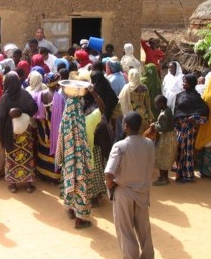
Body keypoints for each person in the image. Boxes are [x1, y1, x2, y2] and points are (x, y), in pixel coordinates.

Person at [105, 111, 155, 259]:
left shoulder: (120, 146)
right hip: (143, 192)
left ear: (125, 126)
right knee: (144, 230)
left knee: (125, 231)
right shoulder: (149, 144)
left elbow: (109, 174)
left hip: (123, 192)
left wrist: (111, 187)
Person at [55, 85, 93, 229]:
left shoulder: (66, 117)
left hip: (68, 158)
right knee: (81, 185)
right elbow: (83, 140)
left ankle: (70, 209)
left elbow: (61, 138)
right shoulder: (79, 116)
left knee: (69, 181)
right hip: (79, 159)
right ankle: (80, 220)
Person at [0, 71, 38, 193]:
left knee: (11, 158)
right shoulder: (25, 94)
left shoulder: (5, 98)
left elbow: (2, 116)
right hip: (25, 131)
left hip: (11, 132)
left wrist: (3, 113)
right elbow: (34, 108)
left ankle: (13, 185)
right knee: (27, 156)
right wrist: (22, 112)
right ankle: (29, 184)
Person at [174, 74, 209, 183]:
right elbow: (177, 110)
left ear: (191, 83)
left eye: (185, 82)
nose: (183, 83)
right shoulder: (179, 95)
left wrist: (194, 118)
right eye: (183, 81)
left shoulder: (197, 98)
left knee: (187, 152)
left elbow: (205, 114)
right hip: (179, 127)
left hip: (189, 129)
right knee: (179, 150)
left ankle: (188, 175)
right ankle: (179, 172)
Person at [32, 72, 61, 183]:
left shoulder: (39, 95)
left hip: (42, 129)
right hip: (54, 130)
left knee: (43, 149)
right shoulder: (59, 98)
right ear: (57, 84)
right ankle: (53, 176)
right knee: (53, 151)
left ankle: (42, 172)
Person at [150, 95, 176, 186]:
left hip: (165, 138)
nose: (156, 106)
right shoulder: (166, 110)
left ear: (161, 103)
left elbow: (163, 127)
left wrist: (154, 126)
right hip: (169, 137)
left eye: (157, 104)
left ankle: (163, 178)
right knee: (165, 158)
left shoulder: (164, 113)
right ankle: (164, 176)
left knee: (162, 157)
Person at [118, 69, 153, 134]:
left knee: (133, 134)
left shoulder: (127, 88)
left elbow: (121, 101)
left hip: (133, 116)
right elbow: (148, 103)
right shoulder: (144, 87)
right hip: (144, 115)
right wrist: (149, 114)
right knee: (144, 135)